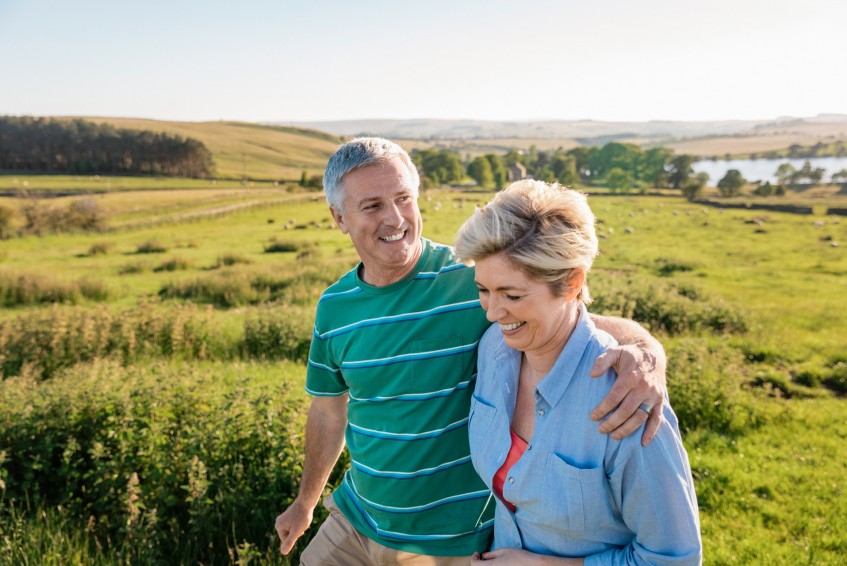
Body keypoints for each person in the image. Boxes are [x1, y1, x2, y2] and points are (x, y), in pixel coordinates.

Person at [274, 138, 669, 564]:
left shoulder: (471, 280)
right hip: (356, 518)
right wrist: (305, 502)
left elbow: (571, 320)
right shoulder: (335, 307)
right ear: (339, 217)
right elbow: (328, 411)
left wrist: (647, 351)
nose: (395, 218)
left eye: (404, 199)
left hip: (450, 543)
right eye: (371, 206)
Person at [455, 180, 701, 565]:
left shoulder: (625, 398)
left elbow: (674, 559)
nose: (492, 312)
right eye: (483, 290)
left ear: (571, 282)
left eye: (513, 295)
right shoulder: (493, 349)